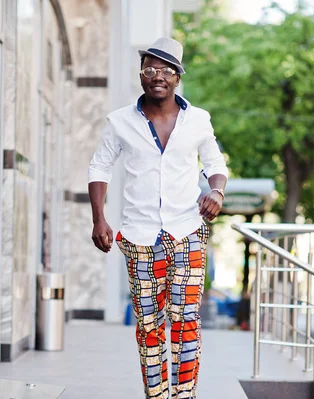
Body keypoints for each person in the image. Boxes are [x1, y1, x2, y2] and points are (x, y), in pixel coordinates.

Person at [87, 37, 228, 399]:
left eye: (165, 69)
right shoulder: (120, 122)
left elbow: (215, 164)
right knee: (149, 325)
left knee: (186, 322)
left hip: (188, 230)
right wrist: (99, 219)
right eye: (150, 69)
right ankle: (157, 395)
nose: (157, 76)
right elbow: (100, 166)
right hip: (139, 237)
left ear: (178, 77)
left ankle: (183, 396)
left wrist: (216, 191)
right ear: (141, 75)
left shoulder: (198, 120)